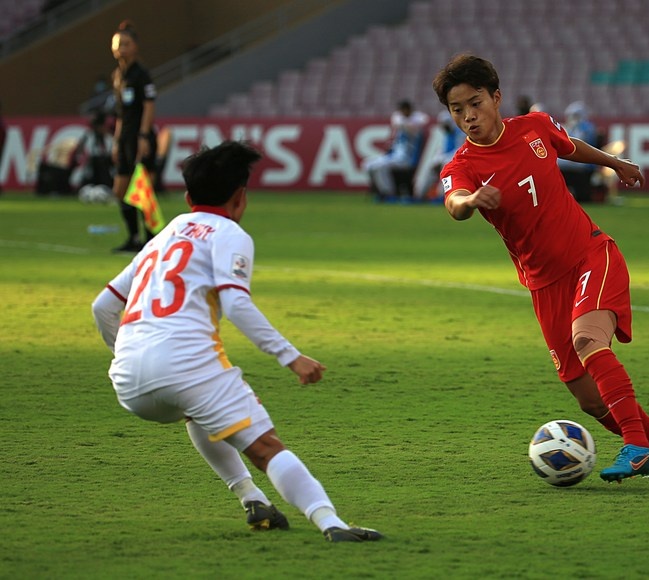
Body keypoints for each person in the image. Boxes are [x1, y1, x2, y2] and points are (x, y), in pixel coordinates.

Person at [90, 140, 383, 542]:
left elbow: (102, 306)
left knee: (199, 412)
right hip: (184, 366)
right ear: (241, 196)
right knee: (265, 447)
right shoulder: (229, 233)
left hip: (128, 381)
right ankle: (332, 525)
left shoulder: (164, 234)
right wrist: (291, 357)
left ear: (189, 196)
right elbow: (236, 303)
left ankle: (251, 499)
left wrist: (126, 353)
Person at [432, 54, 649, 482]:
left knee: (588, 340)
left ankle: (638, 448)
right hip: (543, 284)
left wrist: (614, 162)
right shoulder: (462, 167)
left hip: (591, 255)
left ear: (496, 98)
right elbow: (453, 202)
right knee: (587, 396)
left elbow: (569, 147)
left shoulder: (535, 126)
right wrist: (470, 201)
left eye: (475, 103)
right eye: (457, 110)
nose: (468, 116)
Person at [110, 20, 158, 253]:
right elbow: (120, 114)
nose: (122, 48)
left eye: (126, 44)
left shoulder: (142, 75)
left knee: (143, 190)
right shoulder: (118, 76)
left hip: (140, 136)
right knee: (120, 190)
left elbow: (149, 106)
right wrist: (117, 141)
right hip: (126, 137)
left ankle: (151, 239)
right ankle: (134, 237)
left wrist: (143, 135)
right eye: (118, 44)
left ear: (135, 47)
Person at [363, 100, 428, 200]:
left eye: (403, 110)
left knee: (379, 166)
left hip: (406, 159)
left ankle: (388, 193)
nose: (402, 113)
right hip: (395, 156)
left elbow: (415, 125)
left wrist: (401, 122)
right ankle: (377, 189)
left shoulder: (416, 122)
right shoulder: (401, 122)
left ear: (408, 109)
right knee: (368, 164)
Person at [413, 110, 466, 200]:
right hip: (445, 158)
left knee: (445, 167)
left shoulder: (460, 133)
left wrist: (442, 157)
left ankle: (442, 195)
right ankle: (420, 194)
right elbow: (442, 150)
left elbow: (459, 150)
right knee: (430, 167)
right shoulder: (446, 134)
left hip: (455, 160)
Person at [556, 101, 599, 204]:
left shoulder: (587, 128)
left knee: (582, 195)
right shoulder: (565, 127)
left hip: (581, 166)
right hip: (571, 165)